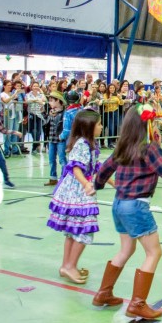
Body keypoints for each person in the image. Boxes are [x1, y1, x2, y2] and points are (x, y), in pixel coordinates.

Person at [92, 106, 162, 320]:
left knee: (126, 249)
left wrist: (98, 185)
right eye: (154, 121)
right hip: (136, 207)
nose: (156, 124)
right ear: (146, 124)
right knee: (154, 252)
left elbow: (103, 171)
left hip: (119, 204)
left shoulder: (123, 146)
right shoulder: (149, 149)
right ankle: (137, 304)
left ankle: (104, 293)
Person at [46, 110, 105, 285]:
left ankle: (67, 265)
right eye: (99, 124)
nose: (102, 127)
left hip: (77, 191)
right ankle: (69, 265)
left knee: (73, 230)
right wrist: (86, 184)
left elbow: (95, 168)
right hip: (77, 193)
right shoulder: (82, 144)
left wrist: (113, 183)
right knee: (84, 229)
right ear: (89, 127)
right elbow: (76, 168)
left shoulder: (91, 144)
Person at [44, 92, 66, 186]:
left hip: (60, 139)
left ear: (58, 101)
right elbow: (46, 124)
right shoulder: (51, 112)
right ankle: (53, 177)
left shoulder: (64, 113)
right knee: (51, 159)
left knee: (62, 159)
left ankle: (64, 177)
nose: (50, 103)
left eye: (52, 101)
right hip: (52, 138)